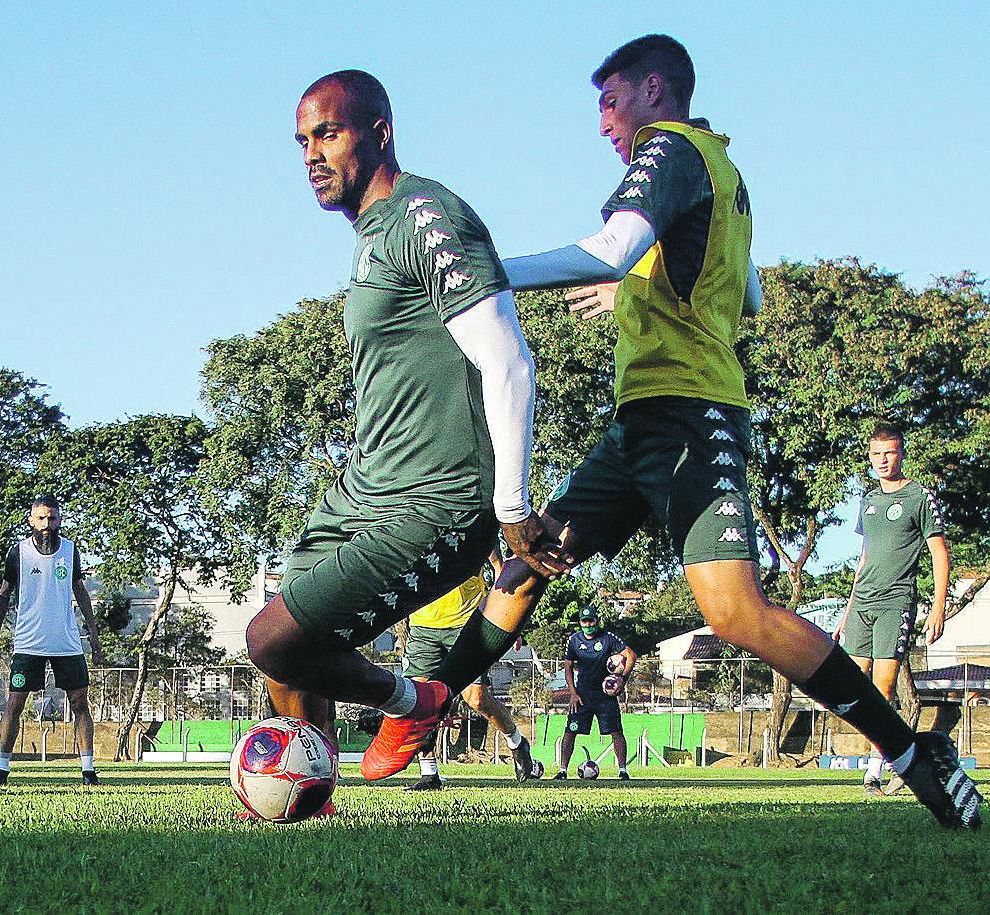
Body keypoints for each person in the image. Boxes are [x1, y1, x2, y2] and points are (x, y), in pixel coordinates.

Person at [408, 35, 981, 829]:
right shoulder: (723, 169)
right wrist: (635, 293)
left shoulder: (668, 148)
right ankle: (422, 714)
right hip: (640, 419)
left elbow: (612, 245)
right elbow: (741, 291)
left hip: (691, 414)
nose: (603, 122)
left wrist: (481, 276)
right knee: (529, 559)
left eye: (608, 101)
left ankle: (914, 751)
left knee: (734, 613)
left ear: (651, 89)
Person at [244, 70, 566, 785]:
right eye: (301, 141)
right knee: (293, 660)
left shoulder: (427, 214)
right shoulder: (372, 235)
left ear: (379, 132)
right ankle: (309, 801)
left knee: (272, 641)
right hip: (361, 494)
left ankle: (412, 701)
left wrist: (509, 509)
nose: (310, 155)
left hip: (438, 502)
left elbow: (508, 361)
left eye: (328, 133)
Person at [834, 424, 951, 796]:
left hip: (895, 601)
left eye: (890, 453)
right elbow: (864, 557)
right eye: (876, 454)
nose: (883, 460)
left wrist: (938, 608)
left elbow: (938, 553)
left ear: (901, 454)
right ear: (870, 458)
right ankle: (904, 750)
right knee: (852, 684)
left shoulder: (919, 496)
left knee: (882, 688)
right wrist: (846, 610)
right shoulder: (867, 500)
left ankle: (873, 771)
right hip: (862, 603)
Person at [0, 496, 104, 786]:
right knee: (14, 705)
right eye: (41, 518)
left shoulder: (70, 550)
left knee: (80, 703)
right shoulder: (19, 553)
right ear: (31, 520)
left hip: (66, 641)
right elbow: (3, 595)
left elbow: (81, 592)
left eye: (51, 518)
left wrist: (94, 634)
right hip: (28, 642)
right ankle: (2, 770)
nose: (46, 524)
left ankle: (88, 771)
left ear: (59, 520)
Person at [403, 552, 543, 789]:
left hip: (466, 624)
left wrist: (511, 623)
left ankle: (516, 742)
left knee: (477, 699)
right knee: (421, 703)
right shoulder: (415, 527)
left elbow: (502, 573)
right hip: (422, 626)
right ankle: (429, 774)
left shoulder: (474, 528)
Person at [554, 606, 635, 780]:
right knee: (570, 731)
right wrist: (573, 693)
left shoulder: (607, 638)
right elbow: (568, 667)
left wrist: (623, 680)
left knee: (616, 732)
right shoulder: (574, 640)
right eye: (584, 621)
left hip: (606, 696)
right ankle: (562, 771)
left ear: (597, 620)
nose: (588, 624)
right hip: (582, 696)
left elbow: (631, 655)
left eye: (591, 620)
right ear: (580, 623)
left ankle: (622, 771)